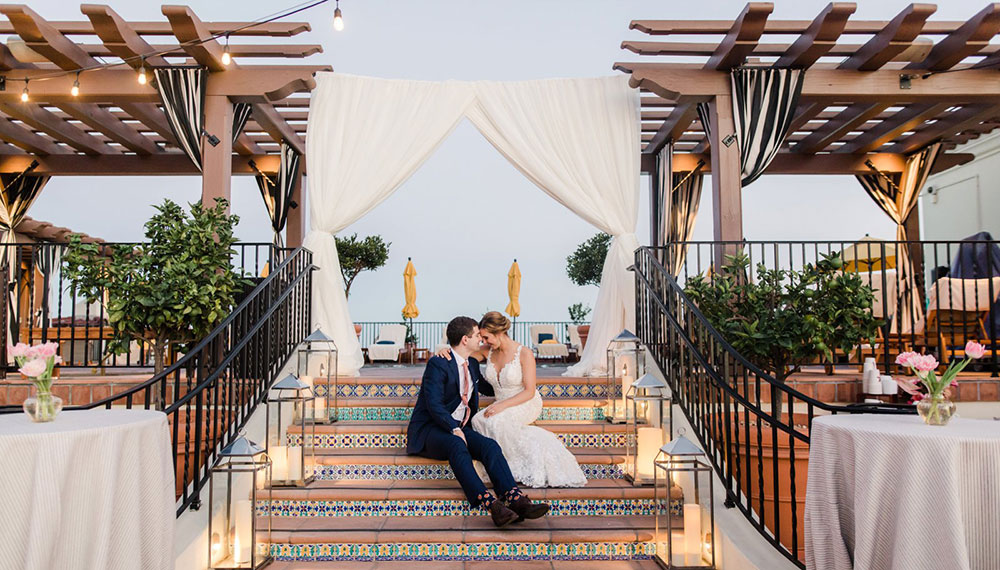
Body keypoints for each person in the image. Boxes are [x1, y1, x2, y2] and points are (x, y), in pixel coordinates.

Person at [406, 316, 551, 527]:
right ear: (465, 340)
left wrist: (516, 389)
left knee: (489, 446)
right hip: (432, 430)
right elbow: (434, 405)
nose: (481, 341)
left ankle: (515, 498)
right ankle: (492, 505)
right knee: (457, 444)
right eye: (477, 336)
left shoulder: (472, 364)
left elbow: (491, 387)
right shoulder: (438, 364)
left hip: (459, 427)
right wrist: (454, 428)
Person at [438, 312, 587, 488]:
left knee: (498, 421)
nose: (484, 341)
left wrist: (502, 405)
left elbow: (530, 391)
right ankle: (500, 464)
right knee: (478, 420)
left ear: (498, 333)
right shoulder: (487, 351)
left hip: (524, 401)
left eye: (486, 337)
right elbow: (461, 355)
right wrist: (446, 351)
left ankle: (515, 467)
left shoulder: (524, 353)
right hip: (501, 402)